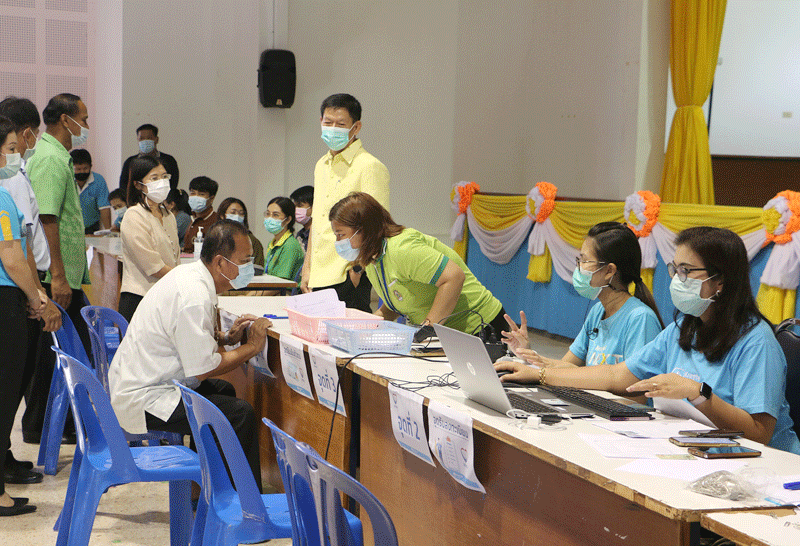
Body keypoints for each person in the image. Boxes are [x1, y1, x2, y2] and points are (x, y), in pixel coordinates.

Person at [497, 227, 800, 454]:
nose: (675, 280)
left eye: (686, 271)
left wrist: (699, 392)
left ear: (720, 281)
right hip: (692, 449)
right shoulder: (685, 327)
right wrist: (541, 375)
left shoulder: (755, 341)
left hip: (758, 467)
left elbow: (759, 433)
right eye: (674, 269)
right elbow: (617, 374)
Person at [109, 220, 271, 488]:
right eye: (244, 261)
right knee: (239, 413)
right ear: (220, 263)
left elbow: (183, 336)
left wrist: (225, 338)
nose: (248, 268)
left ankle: (208, 486)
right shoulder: (194, 294)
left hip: (148, 380)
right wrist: (250, 347)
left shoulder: (190, 276)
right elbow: (202, 368)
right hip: (145, 396)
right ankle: (241, 503)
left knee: (222, 391)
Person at [329, 192, 506, 338]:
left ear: (364, 229)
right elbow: (395, 301)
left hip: (482, 328)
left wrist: (427, 331)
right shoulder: (372, 259)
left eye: (341, 235)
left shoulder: (402, 249)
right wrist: (370, 324)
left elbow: (454, 277)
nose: (338, 242)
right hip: (451, 334)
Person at [503, 222, 663, 368]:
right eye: (579, 260)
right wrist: (527, 354)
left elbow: (638, 392)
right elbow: (565, 367)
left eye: (585, 261)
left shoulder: (641, 319)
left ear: (609, 271)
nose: (579, 268)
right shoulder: (597, 312)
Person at [0, 99, 60, 483]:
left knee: (12, 384)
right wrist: (39, 296)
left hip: (16, 288)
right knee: (8, 386)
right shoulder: (7, 190)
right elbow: (12, 252)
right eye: (9, 148)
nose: (16, 154)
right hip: (10, 292)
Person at [301, 94, 389, 312]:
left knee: (345, 338)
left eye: (340, 124)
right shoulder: (321, 164)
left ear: (356, 127)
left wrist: (357, 269)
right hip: (319, 272)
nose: (333, 129)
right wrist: (308, 266)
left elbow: (377, 225)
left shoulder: (369, 166)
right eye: (327, 123)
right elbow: (318, 219)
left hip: (348, 270)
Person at [118, 156, 180, 322]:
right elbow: (153, 267)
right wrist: (185, 276)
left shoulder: (168, 216)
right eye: (154, 178)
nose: (162, 182)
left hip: (165, 296)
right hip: (139, 298)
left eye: (164, 177)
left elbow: (175, 257)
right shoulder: (134, 216)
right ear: (138, 185)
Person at [119, 123, 179, 193]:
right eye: (141, 138)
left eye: (149, 138)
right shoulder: (130, 162)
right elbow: (124, 186)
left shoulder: (168, 160)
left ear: (156, 140)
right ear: (138, 140)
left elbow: (173, 184)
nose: (145, 141)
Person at [263, 196, 304, 282]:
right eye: (268, 214)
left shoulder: (290, 245)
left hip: (284, 293)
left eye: (275, 215)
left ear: (288, 219)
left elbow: (280, 284)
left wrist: (253, 296)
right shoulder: (272, 244)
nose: (270, 218)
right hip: (270, 290)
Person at [70, 149, 111, 234]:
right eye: (78, 169)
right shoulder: (66, 180)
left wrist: (108, 232)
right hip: (69, 227)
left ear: (91, 166)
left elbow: (104, 208)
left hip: (91, 227)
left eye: (85, 168)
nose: (82, 171)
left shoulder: (98, 180)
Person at [217, 197, 264, 268]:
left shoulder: (251, 241)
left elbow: (258, 269)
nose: (237, 216)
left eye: (241, 213)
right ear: (222, 215)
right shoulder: (215, 237)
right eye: (233, 213)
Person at [182, 176, 219, 253]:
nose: (196, 197)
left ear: (211, 198)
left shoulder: (216, 222)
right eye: (193, 193)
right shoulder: (191, 217)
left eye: (201, 194)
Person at [290, 184, 313, 251]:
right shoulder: (300, 235)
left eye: (300, 206)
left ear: (313, 207)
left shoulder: (318, 234)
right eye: (294, 206)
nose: (296, 210)